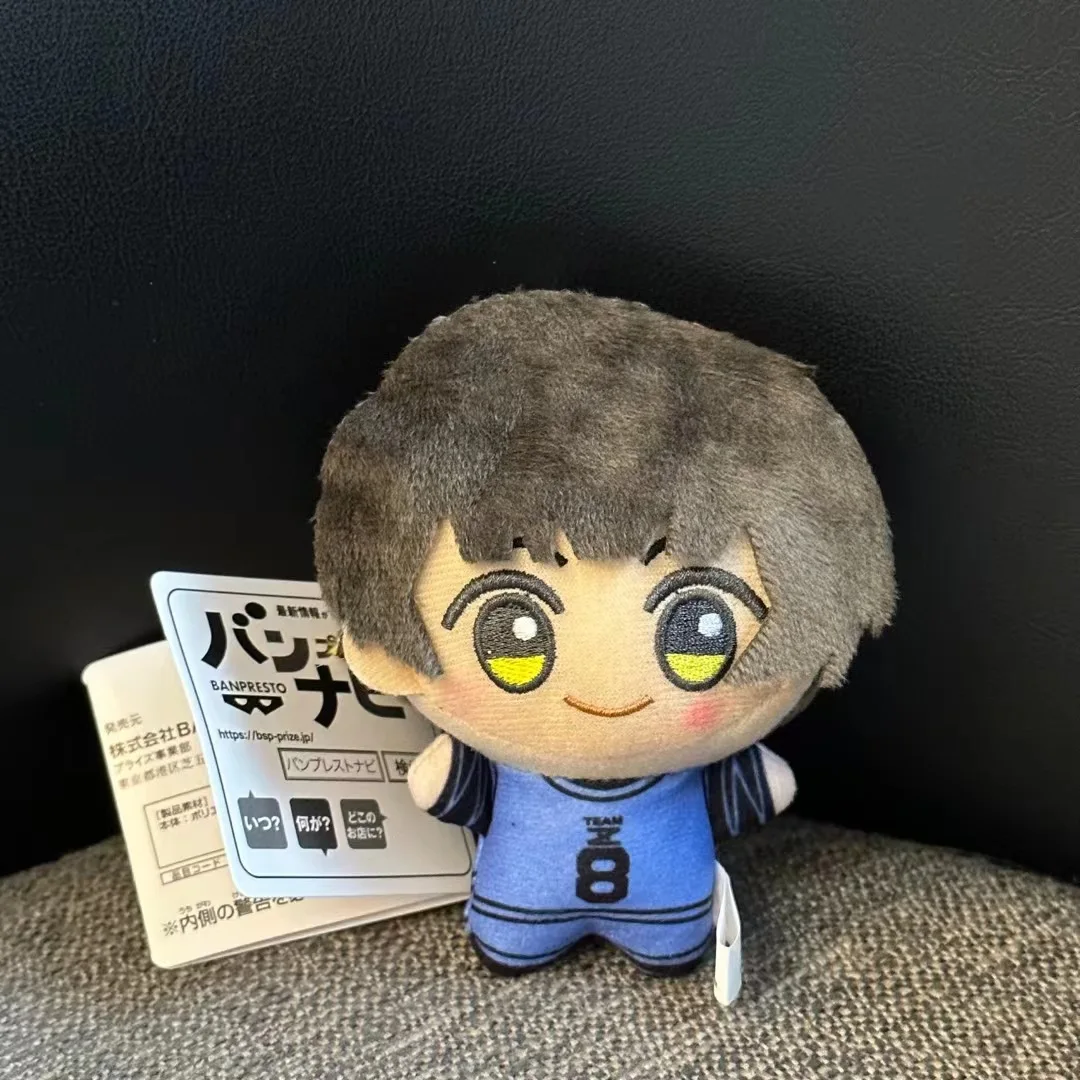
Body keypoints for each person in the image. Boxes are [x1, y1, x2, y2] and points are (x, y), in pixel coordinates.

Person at [315, 290, 894, 974]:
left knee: (665, 934)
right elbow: (443, 784)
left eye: (697, 632)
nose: (608, 690)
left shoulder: (701, 763)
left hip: (672, 915)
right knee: (514, 930)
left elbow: (756, 789)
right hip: (521, 908)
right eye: (513, 638)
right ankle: (522, 934)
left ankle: (653, 939)